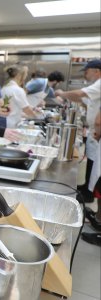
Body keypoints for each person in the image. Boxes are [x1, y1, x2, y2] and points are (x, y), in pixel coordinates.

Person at [56, 59, 101, 245]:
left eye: (87, 70)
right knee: (96, 176)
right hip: (95, 135)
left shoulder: (100, 83)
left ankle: (98, 221)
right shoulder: (96, 86)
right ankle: (97, 217)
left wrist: (61, 92)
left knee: (99, 180)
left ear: (97, 71)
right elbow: (81, 98)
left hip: (97, 135)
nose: (85, 74)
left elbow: (80, 94)